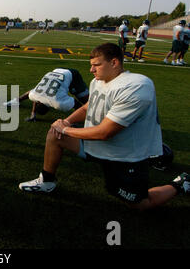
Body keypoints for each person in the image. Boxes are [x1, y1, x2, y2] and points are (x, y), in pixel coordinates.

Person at [18, 43, 189, 210]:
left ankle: (180, 184)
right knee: (55, 135)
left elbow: (106, 132)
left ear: (114, 63)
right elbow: (88, 107)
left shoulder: (136, 86)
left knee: (140, 204)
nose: (91, 70)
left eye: (96, 65)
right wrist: (66, 122)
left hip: (124, 154)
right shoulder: (98, 81)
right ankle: (47, 181)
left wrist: (66, 129)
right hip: (97, 144)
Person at [3, 68, 89, 122]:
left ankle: (92, 113)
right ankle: (15, 101)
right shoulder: (34, 96)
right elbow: (36, 99)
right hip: (56, 71)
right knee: (33, 92)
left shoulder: (59, 104)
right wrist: (33, 113)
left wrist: (71, 121)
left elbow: (76, 104)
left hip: (72, 74)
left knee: (83, 99)